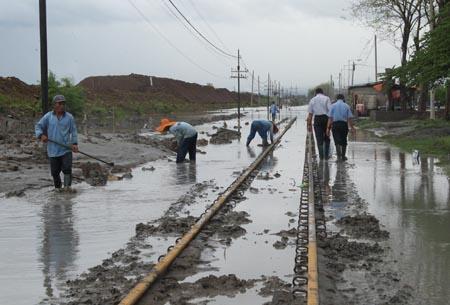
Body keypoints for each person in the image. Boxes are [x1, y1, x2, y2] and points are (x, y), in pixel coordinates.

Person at [35, 95, 78, 190]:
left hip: (66, 149)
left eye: (63, 103)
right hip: (53, 150)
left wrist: (74, 144)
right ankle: (57, 189)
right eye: (59, 103)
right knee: (55, 172)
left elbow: (73, 131)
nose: (62, 105)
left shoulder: (69, 117)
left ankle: (67, 189)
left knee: (67, 170)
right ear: (54, 105)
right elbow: (38, 127)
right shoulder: (48, 116)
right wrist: (41, 135)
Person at [326, 94, 355, 161]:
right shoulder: (346, 106)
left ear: (336, 99)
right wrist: (352, 127)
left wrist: (328, 128)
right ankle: (343, 156)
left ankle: (339, 156)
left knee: (337, 141)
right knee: (344, 140)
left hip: (335, 125)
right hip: (344, 125)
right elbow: (349, 118)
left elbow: (330, 118)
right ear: (343, 98)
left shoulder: (333, 106)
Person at [307, 88, 331, 160]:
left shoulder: (312, 100)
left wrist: (309, 125)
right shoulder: (327, 98)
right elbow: (330, 112)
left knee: (319, 138)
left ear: (315, 93)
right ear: (322, 92)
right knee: (327, 137)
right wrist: (329, 126)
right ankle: (326, 157)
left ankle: (321, 157)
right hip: (326, 119)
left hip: (317, 119)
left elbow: (310, 114)